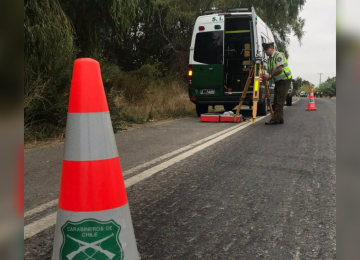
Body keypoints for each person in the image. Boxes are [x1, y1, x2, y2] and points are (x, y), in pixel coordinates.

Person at [262, 42, 292, 125]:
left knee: (280, 101)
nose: (265, 52)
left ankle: (275, 119)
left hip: (285, 80)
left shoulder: (278, 55)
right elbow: (269, 71)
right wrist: (265, 75)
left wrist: (270, 76)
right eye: (264, 50)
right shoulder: (270, 59)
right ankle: (280, 119)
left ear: (271, 48)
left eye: (266, 50)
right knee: (276, 101)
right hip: (278, 81)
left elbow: (280, 69)